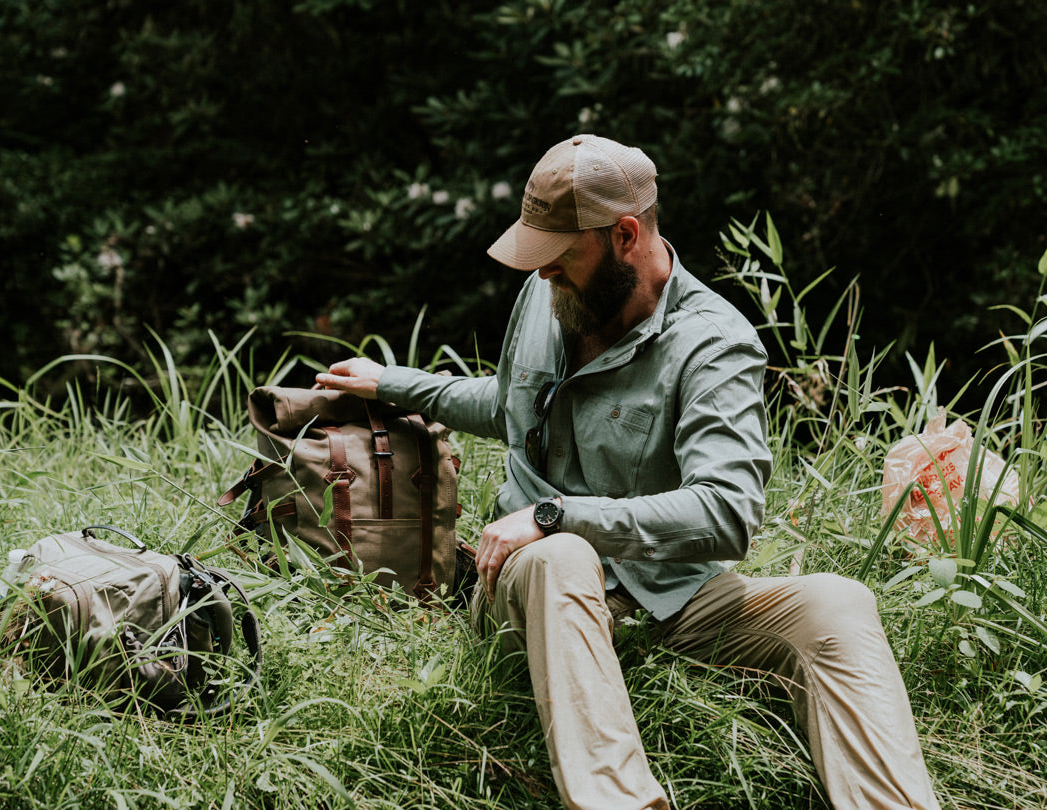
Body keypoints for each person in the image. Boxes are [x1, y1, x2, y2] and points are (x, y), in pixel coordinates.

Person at [315, 135, 941, 810]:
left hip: (670, 603)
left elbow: (726, 513)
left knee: (837, 604)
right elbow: (511, 403)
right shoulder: (545, 294)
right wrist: (396, 384)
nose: (542, 273)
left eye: (558, 254)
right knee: (562, 558)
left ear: (624, 235)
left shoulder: (713, 344)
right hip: (536, 588)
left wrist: (559, 515)